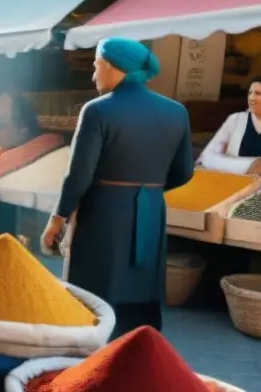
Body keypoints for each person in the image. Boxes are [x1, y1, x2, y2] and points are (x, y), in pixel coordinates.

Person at [41, 38, 194, 339]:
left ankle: (93, 360)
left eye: (96, 66)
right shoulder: (176, 112)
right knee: (142, 290)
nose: (94, 74)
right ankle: (139, 353)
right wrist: (147, 191)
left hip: (104, 212)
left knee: (95, 293)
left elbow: (78, 176)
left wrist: (56, 220)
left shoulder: (98, 111)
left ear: (111, 66)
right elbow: (184, 172)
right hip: (151, 209)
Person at [198, 76, 261, 181]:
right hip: (227, 171)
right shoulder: (236, 119)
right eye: (250, 93)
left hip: (260, 179)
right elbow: (208, 155)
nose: (251, 98)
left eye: (258, 94)